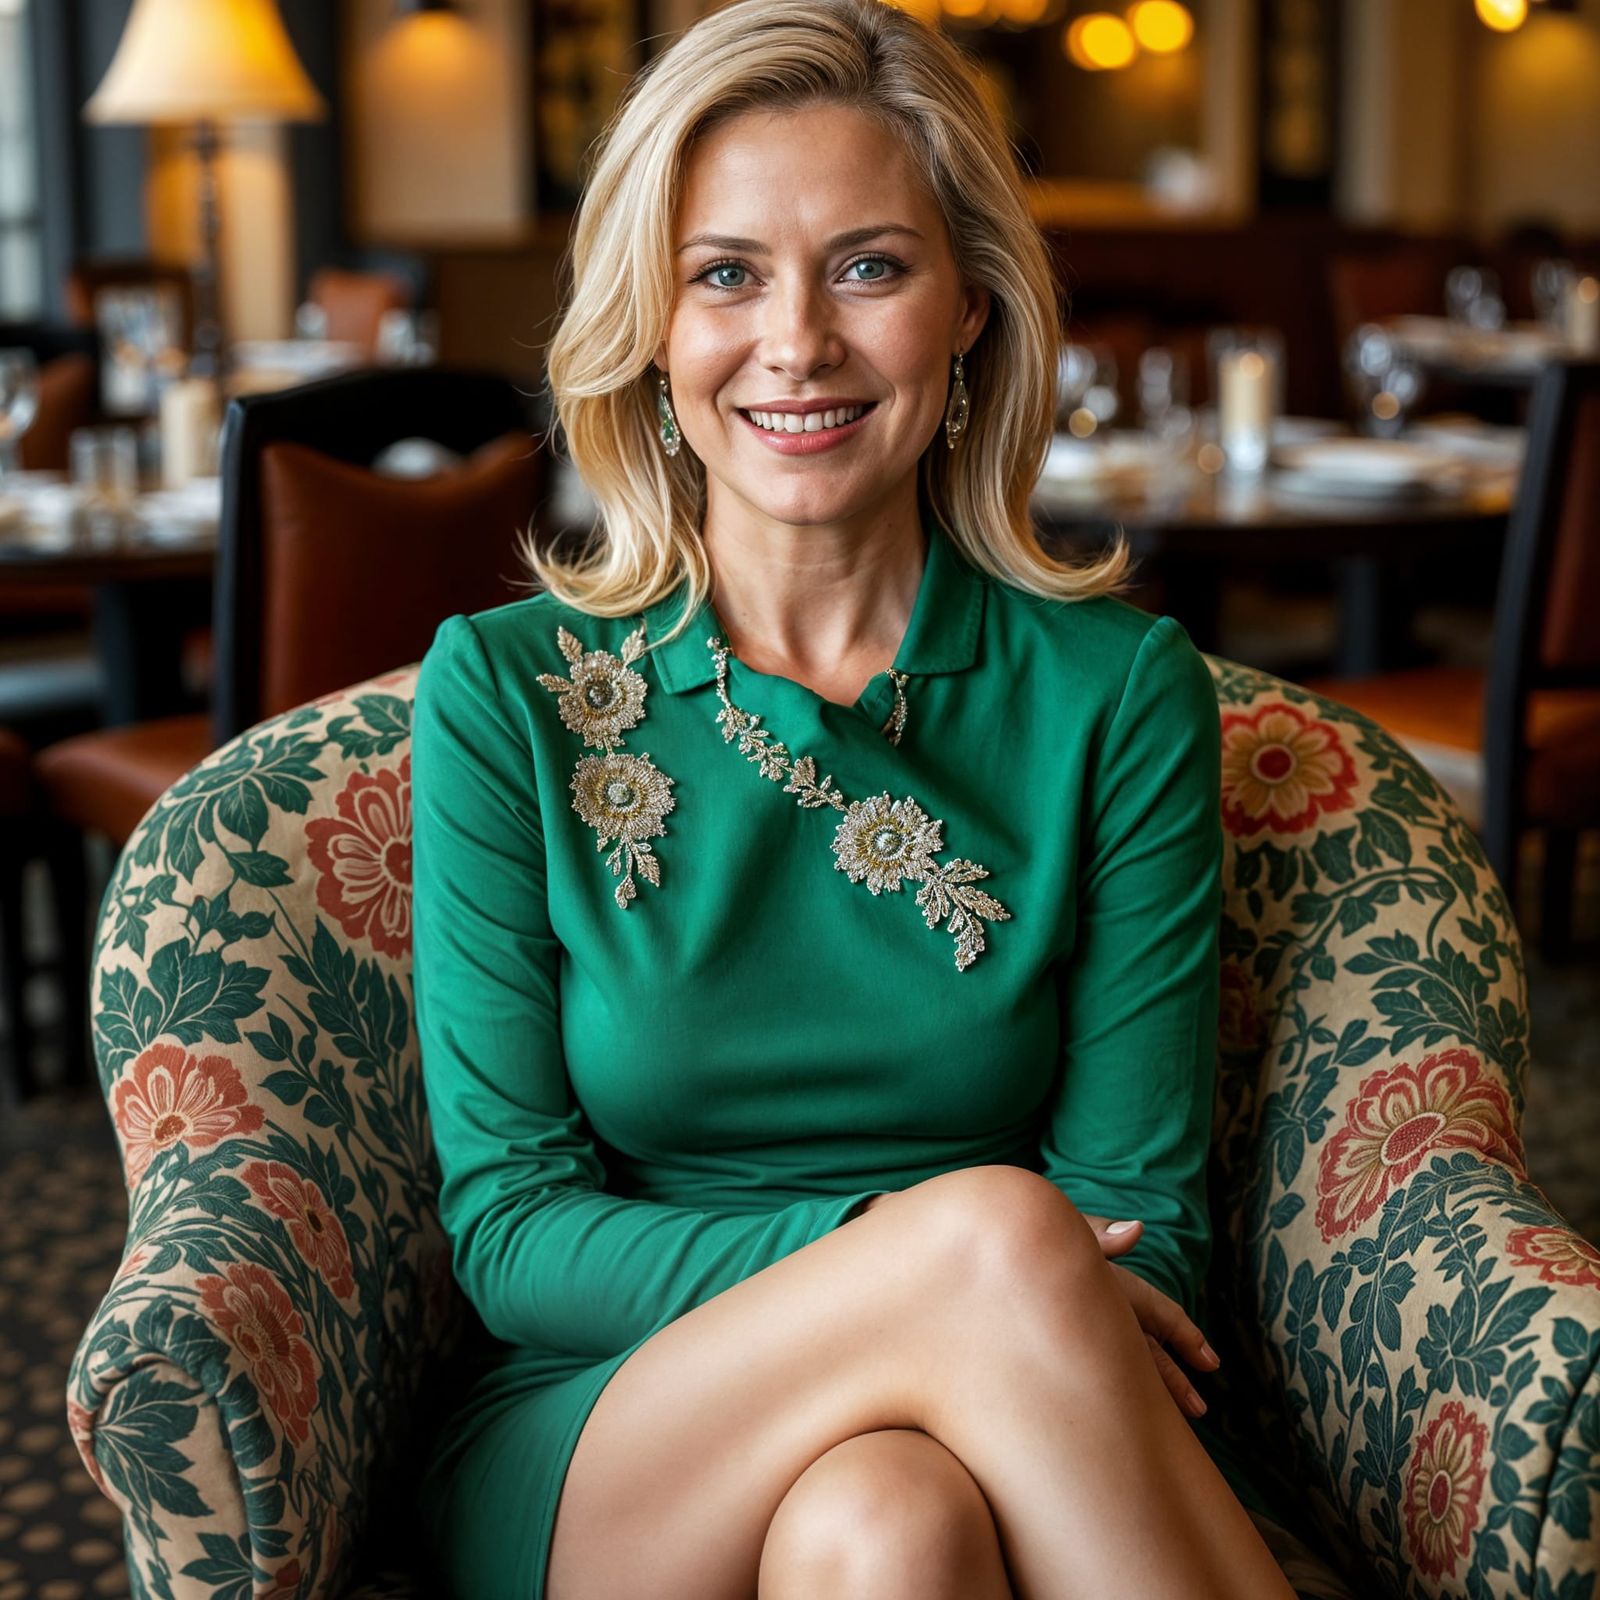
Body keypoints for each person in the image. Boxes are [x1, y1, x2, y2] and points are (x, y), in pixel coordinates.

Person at [409, 1, 1299, 1595]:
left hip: (1036, 1389)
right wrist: (934, 1260)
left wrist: (963, 1299)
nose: (797, 340)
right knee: (999, 1237)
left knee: (885, 1523)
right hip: (622, 1415)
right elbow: (516, 1235)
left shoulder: (1120, 694)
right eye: (724, 274)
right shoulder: (506, 688)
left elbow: (1141, 1223)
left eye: (870, 267)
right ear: (651, 324)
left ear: (970, 308)